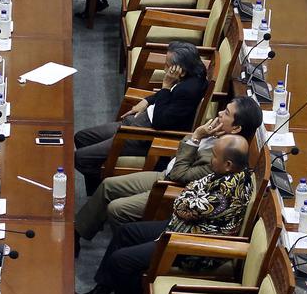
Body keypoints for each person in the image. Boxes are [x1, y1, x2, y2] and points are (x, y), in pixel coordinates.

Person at [76, 135, 254, 294]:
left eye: (214, 156)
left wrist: (188, 195)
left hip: (192, 245)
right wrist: (189, 195)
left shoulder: (227, 193)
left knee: (121, 261)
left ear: (228, 164)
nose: (211, 160)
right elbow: (192, 189)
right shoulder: (233, 171)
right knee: (125, 232)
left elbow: (182, 205)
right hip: (184, 227)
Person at [75, 97, 262, 243]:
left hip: (173, 188)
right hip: (166, 173)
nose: (220, 113)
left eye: (226, 113)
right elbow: (182, 150)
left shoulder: (227, 155)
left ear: (237, 127)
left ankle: (123, 247)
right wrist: (197, 138)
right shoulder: (214, 131)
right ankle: (78, 233)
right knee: (108, 185)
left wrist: (196, 137)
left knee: (117, 209)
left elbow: (179, 175)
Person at [75, 42, 207, 195]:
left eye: (167, 65)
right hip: (139, 121)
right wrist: (147, 100)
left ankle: (100, 193)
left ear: (181, 71)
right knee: (82, 137)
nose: (165, 69)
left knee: (81, 158)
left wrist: (165, 85)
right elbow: (170, 94)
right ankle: (96, 188)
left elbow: (160, 122)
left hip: (143, 135)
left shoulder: (187, 91)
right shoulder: (193, 73)